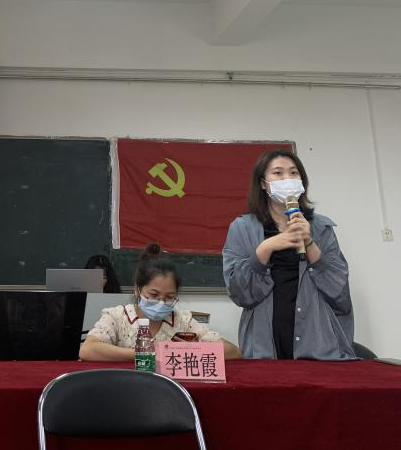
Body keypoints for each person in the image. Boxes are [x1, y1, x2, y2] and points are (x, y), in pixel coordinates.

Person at [222, 150, 354, 360]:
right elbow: (239, 292)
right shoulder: (242, 228)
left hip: (317, 341)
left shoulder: (321, 227)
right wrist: (266, 248)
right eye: (278, 173)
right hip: (265, 341)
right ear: (263, 183)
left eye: (293, 173)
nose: (287, 179)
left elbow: (339, 291)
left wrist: (309, 242)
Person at [79, 243, 241, 360]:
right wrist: (146, 354)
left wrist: (189, 349)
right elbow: (88, 350)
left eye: (169, 297)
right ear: (137, 289)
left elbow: (233, 352)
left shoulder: (182, 321)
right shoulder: (117, 316)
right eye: (154, 295)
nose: (161, 302)